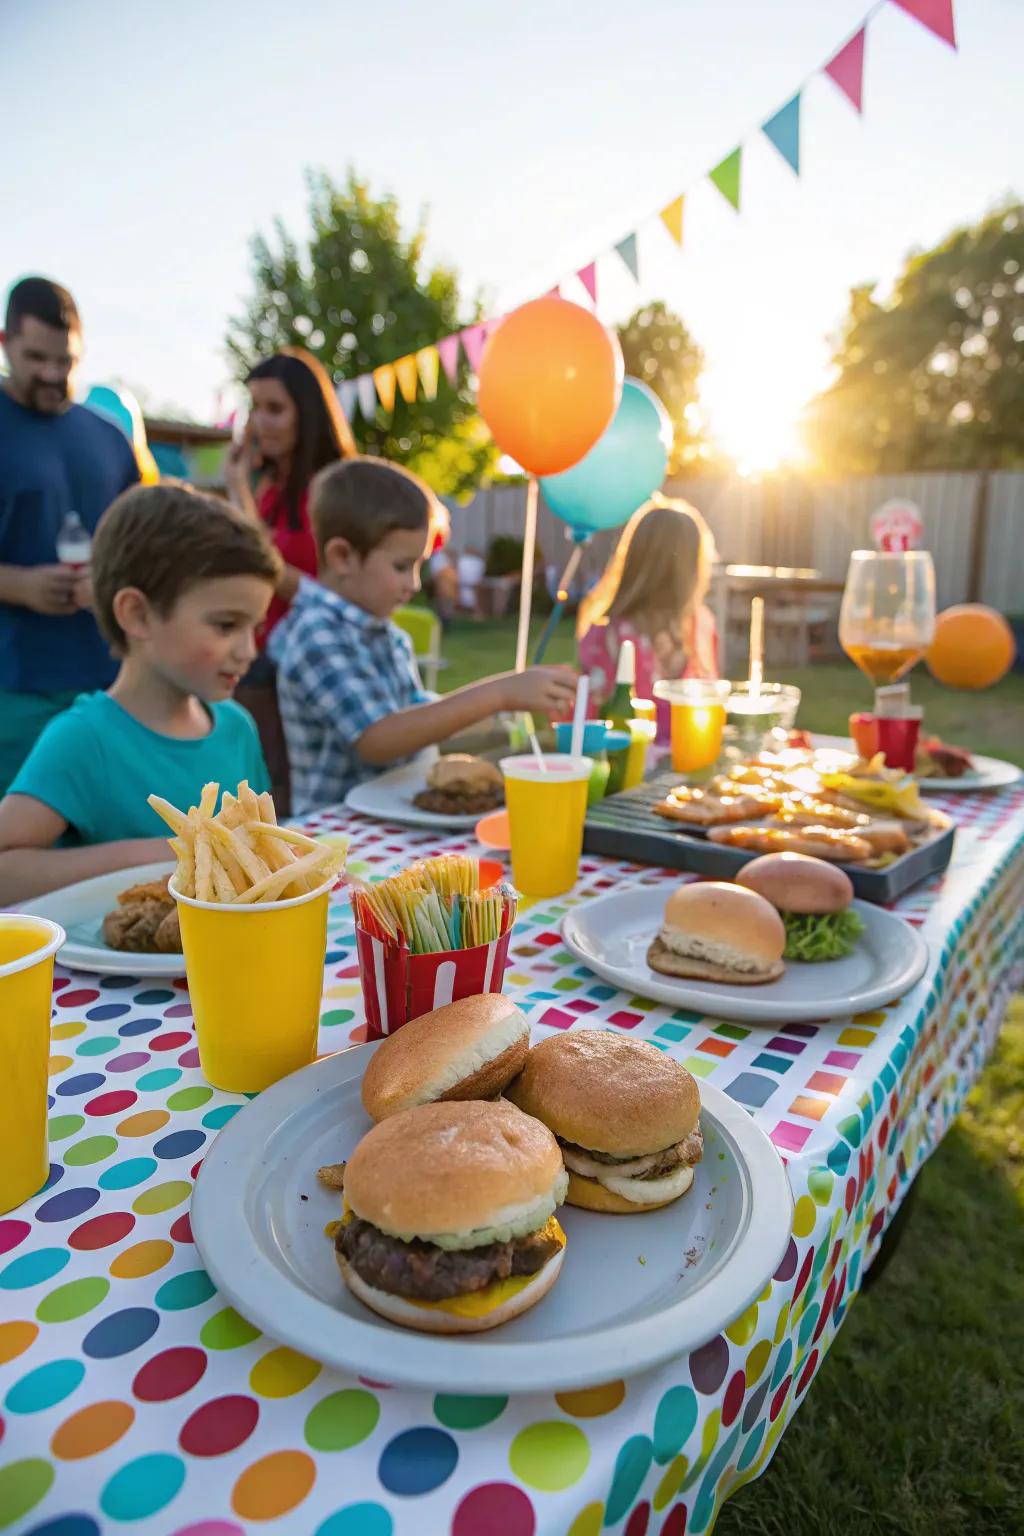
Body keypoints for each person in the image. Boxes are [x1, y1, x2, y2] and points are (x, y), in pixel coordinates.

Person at [0, 483, 280, 903]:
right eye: (226, 625)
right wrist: (157, 853)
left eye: (253, 628)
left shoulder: (237, 726)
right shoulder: (83, 738)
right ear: (137, 614)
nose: (248, 651)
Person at [271, 457, 578, 815]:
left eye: (419, 566)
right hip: (338, 836)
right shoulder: (318, 633)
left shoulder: (383, 633)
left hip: (395, 819)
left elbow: (422, 718)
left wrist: (523, 698)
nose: (414, 584)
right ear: (342, 557)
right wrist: (499, 694)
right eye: (402, 566)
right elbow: (377, 739)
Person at [0, 277, 141, 794]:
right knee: (16, 857)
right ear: (4, 343)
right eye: (37, 358)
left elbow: (146, 544)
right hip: (14, 691)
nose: (53, 374)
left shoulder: (109, 437)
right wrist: (17, 584)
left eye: (68, 361)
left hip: (111, 683)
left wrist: (109, 580)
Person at [225, 347, 357, 809]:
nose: (261, 421)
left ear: (309, 412)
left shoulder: (335, 488)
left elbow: (273, 568)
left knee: (285, 796)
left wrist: (237, 486)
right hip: (260, 659)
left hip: (308, 666)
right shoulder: (272, 488)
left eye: (275, 408)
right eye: (255, 407)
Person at [576, 498, 719, 741]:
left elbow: (586, 724)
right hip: (677, 765)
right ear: (694, 566)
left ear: (633, 558)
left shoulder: (606, 635)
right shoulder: (699, 624)